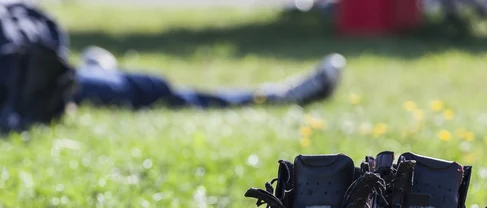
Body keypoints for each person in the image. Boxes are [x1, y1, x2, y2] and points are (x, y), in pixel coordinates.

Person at [73, 46, 345, 109]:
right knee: (157, 90)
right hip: (54, 86)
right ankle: (276, 96)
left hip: (56, 76)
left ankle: (102, 74)